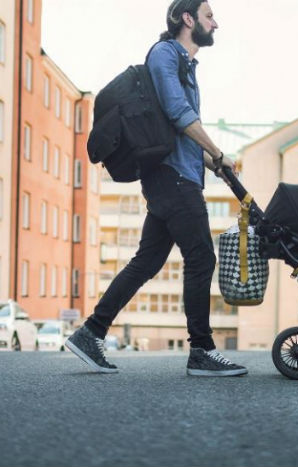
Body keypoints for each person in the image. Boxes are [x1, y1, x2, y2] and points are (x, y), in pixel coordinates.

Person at [66, 0, 247, 377]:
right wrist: (217, 151)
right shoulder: (166, 55)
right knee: (201, 259)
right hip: (172, 179)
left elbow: (179, 127)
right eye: (208, 16)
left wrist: (214, 162)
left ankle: (91, 332)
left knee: (147, 261)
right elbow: (180, 114)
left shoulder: (185, 64)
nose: (216, 23)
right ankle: (201, 351)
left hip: (177, 176)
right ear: (187, 18)